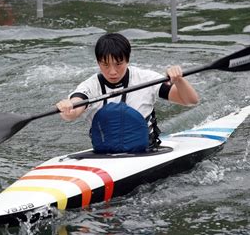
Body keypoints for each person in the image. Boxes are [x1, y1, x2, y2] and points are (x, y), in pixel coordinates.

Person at [56, 33, 199, 152]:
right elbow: (73, 111)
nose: (112, 72)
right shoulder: (90, 86)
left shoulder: (146, 79)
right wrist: (67, 107)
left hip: (146, 150)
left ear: (127, 60)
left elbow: (191, 100)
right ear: (98, 63)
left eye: (118, 64)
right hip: (105, 153)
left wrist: (179, 81)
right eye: (105, 65)